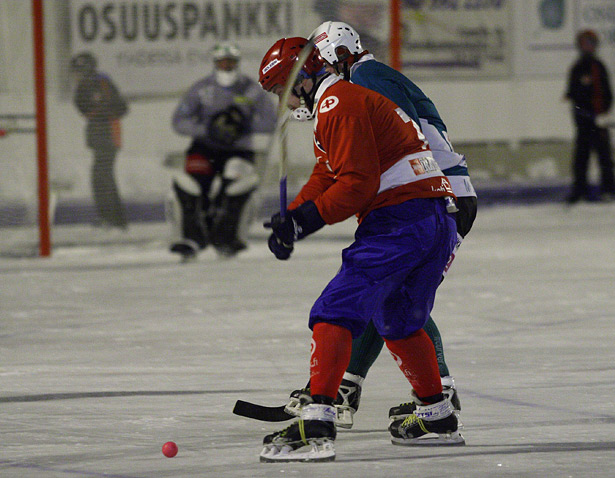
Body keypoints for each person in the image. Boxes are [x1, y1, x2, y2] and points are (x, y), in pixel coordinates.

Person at [257, 37, 463, 463]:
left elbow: (356, 184)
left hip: (400, 221)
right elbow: (327, 171)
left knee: (335, 309)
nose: (282, 100)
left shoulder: (337, 103)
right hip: (433, 219)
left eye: (282, 89)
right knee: (400, 321)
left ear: (302, 78)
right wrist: (293, 218)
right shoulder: (339, 103)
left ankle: (317, 420)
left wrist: (306, 220)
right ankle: (437, 414)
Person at [169, 43, 277, 259]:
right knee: (190, 187)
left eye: (231, 62)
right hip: (204, 148)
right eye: (222, 62)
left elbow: (271, 121)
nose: (226, 66)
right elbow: (179, 121)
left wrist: (241, 127)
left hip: (238, 150)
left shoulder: (252, 90)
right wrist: (208, 129)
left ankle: (227, 239)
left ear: (237, 63)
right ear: (215, 63)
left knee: (235, 188)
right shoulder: (201, 89)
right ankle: (191, 238)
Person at [71, 52, 129, 230]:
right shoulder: (86, 85)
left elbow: (119, 107)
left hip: (108, 135)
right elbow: (84, 107)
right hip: (99, 135)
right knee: (99, 177)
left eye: (78, 71)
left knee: (104, 177)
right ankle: (108, 217)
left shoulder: (100, 82)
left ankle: (116, 220)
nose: (75, 75)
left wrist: (99, 112)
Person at [565, 29, 615, 203]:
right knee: (581, 160)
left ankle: (608, 190)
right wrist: (583, 116)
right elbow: (572, 95)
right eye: (584, 43)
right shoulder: (576, 68)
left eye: (591, 43)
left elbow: (608, 94)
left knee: (605, 158)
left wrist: (603, 114)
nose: (588, 47)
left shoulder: (599, 67)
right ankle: (580, 191)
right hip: (584, 123)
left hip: (599, 122)